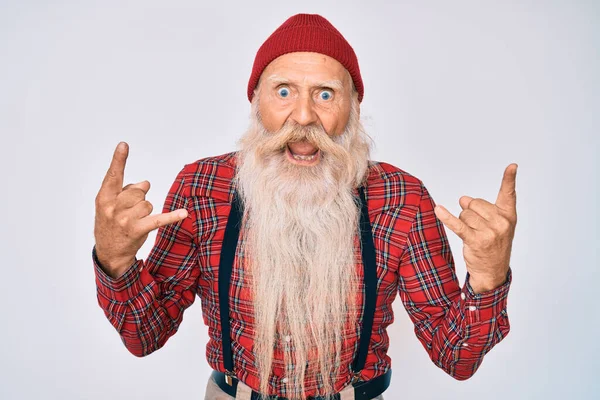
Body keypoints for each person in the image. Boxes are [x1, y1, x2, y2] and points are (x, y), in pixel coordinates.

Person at [92, 13, 517, 400]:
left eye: (326, 95)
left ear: (353, 108)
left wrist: (488, 278)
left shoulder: (401, 198)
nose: (303, 116)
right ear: (256, 100)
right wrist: (115, 259)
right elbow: (144, 335)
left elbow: (456, 357)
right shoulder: (202, 188)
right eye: (283, 91)